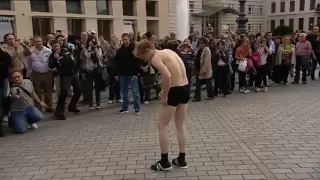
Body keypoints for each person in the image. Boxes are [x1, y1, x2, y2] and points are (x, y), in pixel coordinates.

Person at [134, 39, 189, 171]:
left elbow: (167, 76)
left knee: (162, 124)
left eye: (143, 56)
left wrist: (164, 94)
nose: (144, 60)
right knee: (180, 124)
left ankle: (164, 161)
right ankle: (181, 159)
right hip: (185, 87)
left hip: (174, 90)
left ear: (147, 51)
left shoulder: (155, 58)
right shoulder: (168, 51)